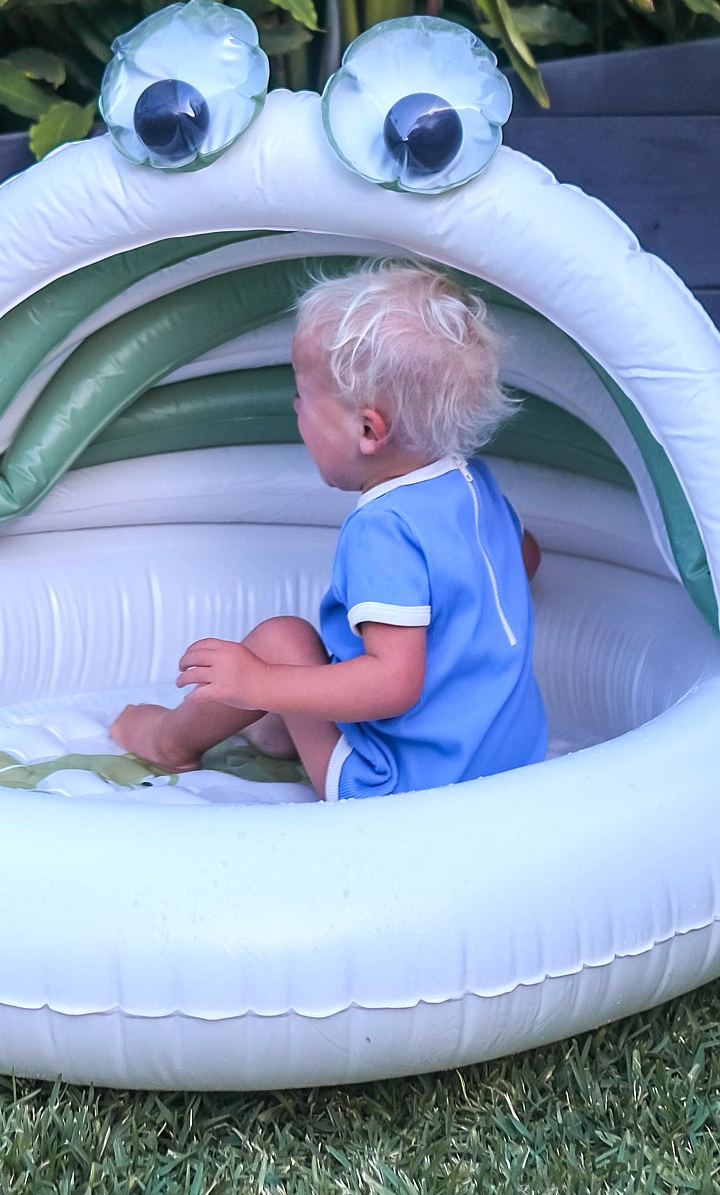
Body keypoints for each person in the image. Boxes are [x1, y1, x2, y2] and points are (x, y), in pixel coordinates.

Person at [110, 261, 547, 800]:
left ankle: (168, 740)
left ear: (368, 428)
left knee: (282, 641)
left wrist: (258, 682)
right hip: (509, 760)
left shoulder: (383, 528)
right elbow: (525, 558)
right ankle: (279, 729)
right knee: (315, 665)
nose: (296, 409)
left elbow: (393, 684)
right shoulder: (472, 484)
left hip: (402, 789)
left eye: (305, 398)